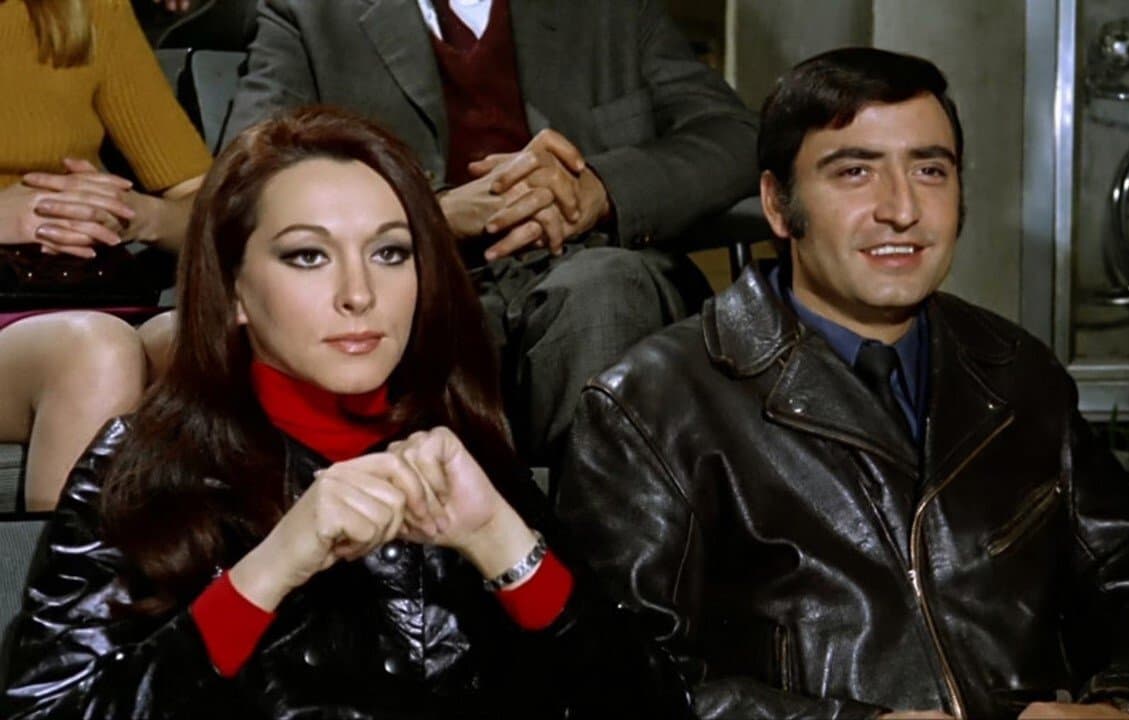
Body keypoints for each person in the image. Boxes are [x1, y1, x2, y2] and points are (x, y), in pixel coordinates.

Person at [557, 48, 1129, 719]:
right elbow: (620, 685)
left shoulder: (1018, 372)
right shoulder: (651, 406)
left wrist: (1125, 707)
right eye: (855, 172)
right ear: (778, 204)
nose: (902, 210)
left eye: (930, 170)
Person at [0, 107, 692, 719]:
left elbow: (651, 704)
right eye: (308, 256)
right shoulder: (139, 468)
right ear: (234, 289)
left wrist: (503, 545)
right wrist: (273, 569)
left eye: (390, 252)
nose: (359, 294)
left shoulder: (470, 455)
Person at [221, 0, 758, 467]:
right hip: (425, 285)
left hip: (593, 266)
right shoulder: (308, 14)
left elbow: (735, 134)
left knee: (603, 292)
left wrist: (601, 188)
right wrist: (431, 215)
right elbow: (246, 179)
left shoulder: (608, 10)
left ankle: (594, 546)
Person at [0, 0, 211, 509]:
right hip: (52, 328)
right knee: (94, 351)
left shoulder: (88, 9)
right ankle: (68, 563)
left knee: (213, 344)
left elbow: (212, 204)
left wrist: (136, 213)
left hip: (92, 289)